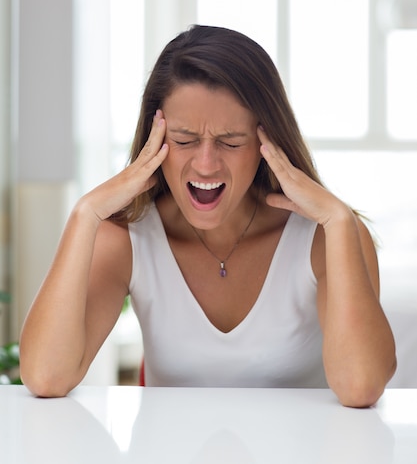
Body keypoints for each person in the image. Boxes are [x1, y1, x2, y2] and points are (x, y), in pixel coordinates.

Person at [20, 25, 396, 406]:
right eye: (184, 141)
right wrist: (86, 214)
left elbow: (360, 386)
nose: (205, 164)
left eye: (231, 142)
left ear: (268, 144)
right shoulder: (127, 239)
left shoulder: (327, 237)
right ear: (155, 140)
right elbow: (47, 376)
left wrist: (338, 219)